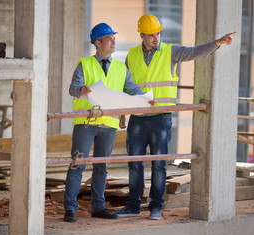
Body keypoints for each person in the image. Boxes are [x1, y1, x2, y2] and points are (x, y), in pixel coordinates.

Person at [114, 14, 236, 220]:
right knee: (134, 162)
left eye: (158, 33)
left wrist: (217, 43)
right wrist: (121, 113)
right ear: (141, 35)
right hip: (136, 116)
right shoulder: (132, 54)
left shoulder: (171, 52)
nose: (156, 37)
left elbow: (195, 52)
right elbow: (126, 84)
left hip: (160, 117)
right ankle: (133, 206)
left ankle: (156, 207)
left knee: (159, 164)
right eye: (151, 34)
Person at [63, 22, 155, 223]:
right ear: (98, 42)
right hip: (86, 122)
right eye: (109, 38)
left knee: (101, 167)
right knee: (77, 164)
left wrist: (145, 98)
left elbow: (131, 89)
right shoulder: (85, 63)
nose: (114, 41)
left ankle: (98, 207)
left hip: (109, 125)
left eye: (114, 37)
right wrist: (82, 90)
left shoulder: (121, 68)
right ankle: (70, 209)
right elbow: (73, 88)